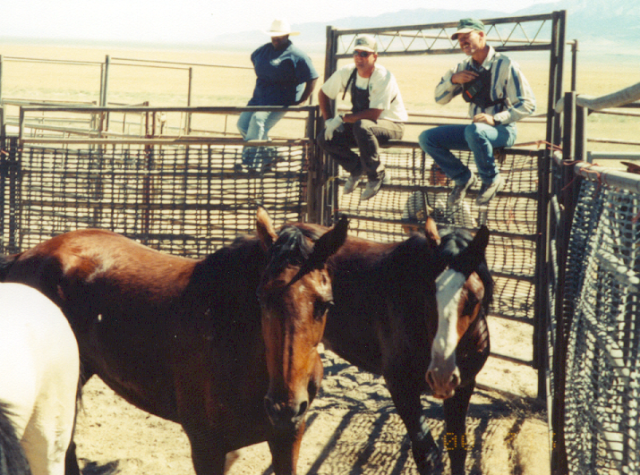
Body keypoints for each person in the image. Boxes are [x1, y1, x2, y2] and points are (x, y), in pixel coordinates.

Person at [418, 18, 536, 207]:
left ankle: (491, 179)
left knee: (475, 131)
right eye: (459, 39)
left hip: (503, 130)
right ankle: (462, 177)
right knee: (427, 138)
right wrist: (453, 81)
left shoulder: (506, 65)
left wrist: (496, 119)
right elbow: (439, 98)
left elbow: (528, 104)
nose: (463, 42)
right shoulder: (461, 67)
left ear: (481, 35)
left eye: (467, 37)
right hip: (474, 132)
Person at [317, 35, 407, 201]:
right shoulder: (348, 72)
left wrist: (342, 118)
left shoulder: (383, 76)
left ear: (375, 56)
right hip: (361, 127)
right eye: (356, 53)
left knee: (363, 126)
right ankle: (357, 168)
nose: (359, 57)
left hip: (391, 125)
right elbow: (323, 93)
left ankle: (376, 175)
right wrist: (329, 120)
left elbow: (374, 114)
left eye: (365, 54)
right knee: (324, 138)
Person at [236, 19, 319, 172]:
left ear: (287, 35)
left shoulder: (297, 55)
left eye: (279, 35)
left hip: (280, 100)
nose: (275, 38)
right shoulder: (263, 50)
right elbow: (254, 58)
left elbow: (312, 77)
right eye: (273, 35)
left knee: (258, 121)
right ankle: (272, 154)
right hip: (259, 98)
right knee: (242, 125)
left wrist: (302, 99)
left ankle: (250, 164)